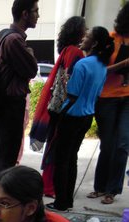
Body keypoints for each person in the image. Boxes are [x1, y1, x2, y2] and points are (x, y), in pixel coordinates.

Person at [49, 27, 114, 213]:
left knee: (61, 160)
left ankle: (61, 202)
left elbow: (72, 94)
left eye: (87, 36)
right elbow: (97, 93)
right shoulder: (102, 66)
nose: (83, 38)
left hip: (71, 115)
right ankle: (67, 200)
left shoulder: (82, 65)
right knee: (72, 158)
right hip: (87, 116)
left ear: (94, 43)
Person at [28, 16, 86, 197]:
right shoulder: (75, 52)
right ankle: (52, 186)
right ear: (79, 32)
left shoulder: (66, 50)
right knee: (61, 149)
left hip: (56, 106)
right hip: (65, 108)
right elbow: (70, 81)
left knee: (54, 145)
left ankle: (48, 184)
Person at [0, 0, 39, 173]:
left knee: (3, 158)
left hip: (7, 106)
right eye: (35, 11)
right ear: (25, 14)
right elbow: (31, 69)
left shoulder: (8, 37)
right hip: (9, 107)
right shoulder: (14, 40)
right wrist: (30, 53)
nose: (38, 15)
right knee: (5, 160)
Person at [89, 4, 129, 206]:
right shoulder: (110, 39)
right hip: (107, 97)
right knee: (107, 144)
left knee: (123, 144)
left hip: (127, 99)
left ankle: (112, 190)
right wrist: (123, 64)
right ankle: (100, 186)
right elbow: (99, 70)